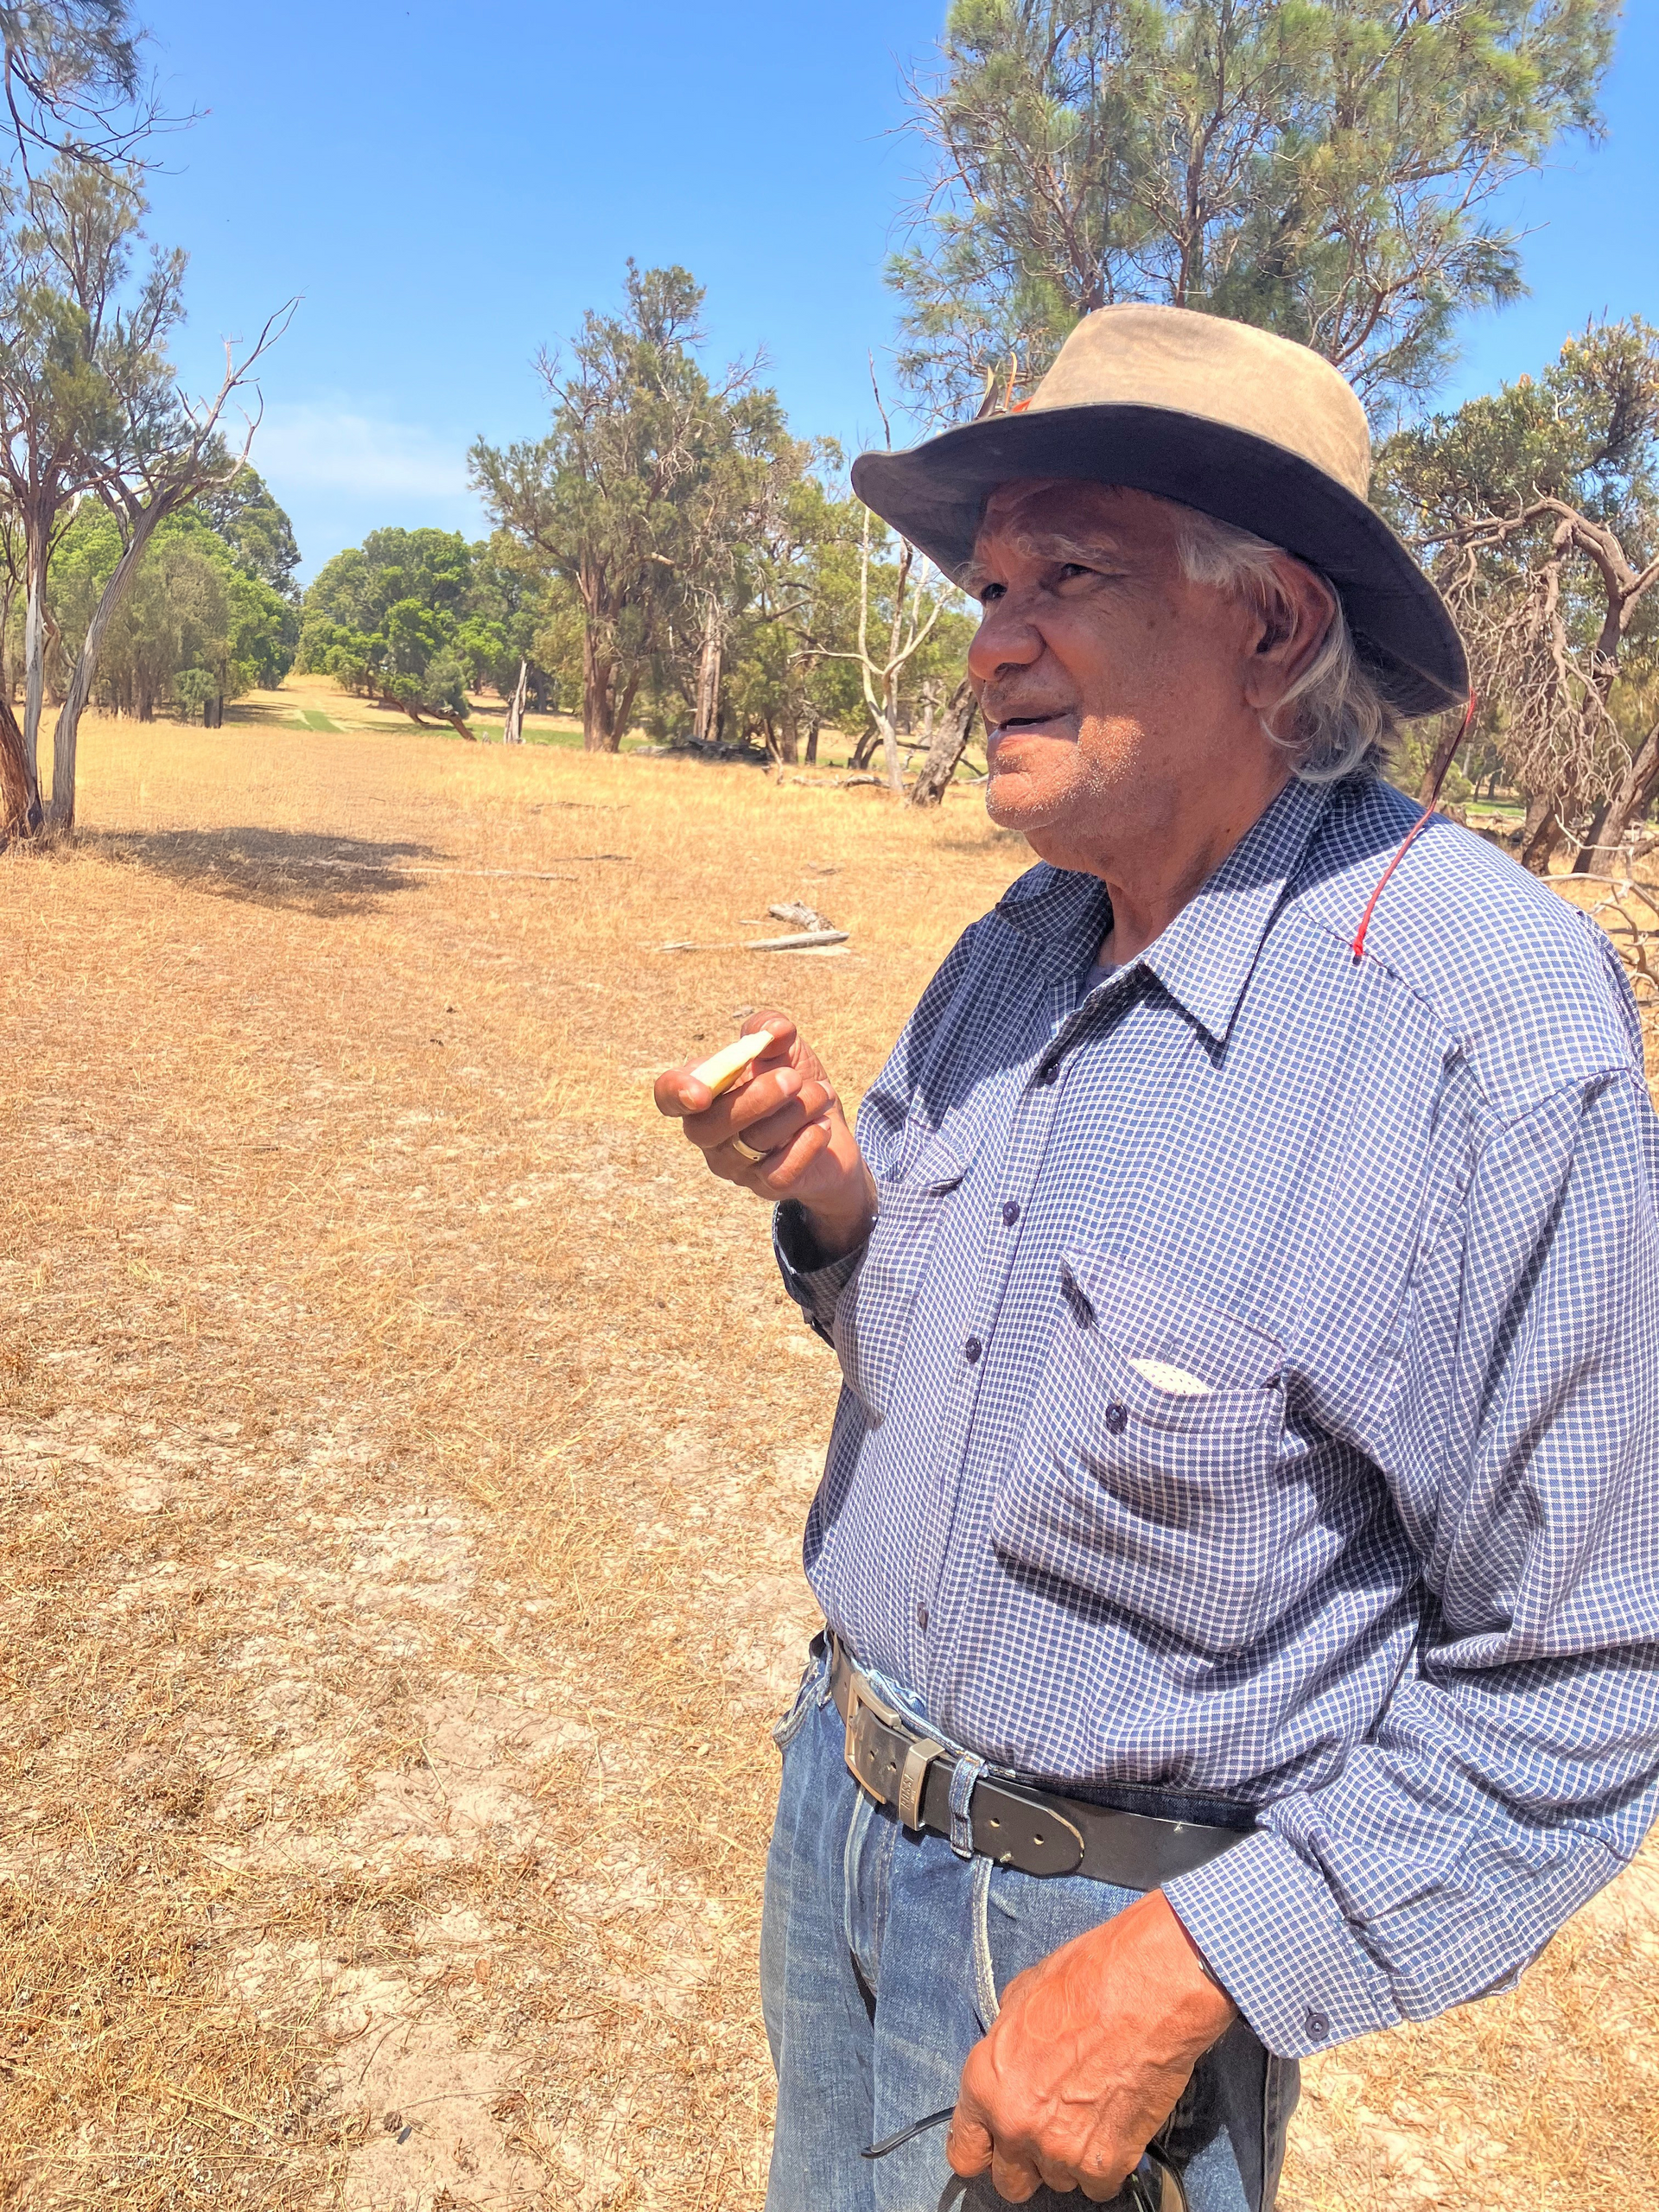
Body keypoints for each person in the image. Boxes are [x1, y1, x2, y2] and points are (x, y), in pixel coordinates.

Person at [654, 304, 1659, 2211]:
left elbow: (1595, 1662)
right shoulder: (1013, 947)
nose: (988, 638)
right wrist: (834, 1194)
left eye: (1065, 575)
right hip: (843, 1828)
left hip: (1112, 1942)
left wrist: (1186, 1967)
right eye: (988, 581)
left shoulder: (1486, 1025)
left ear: (1270, 624)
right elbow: (937, 1354)